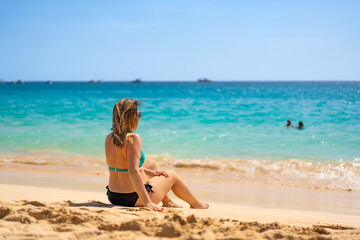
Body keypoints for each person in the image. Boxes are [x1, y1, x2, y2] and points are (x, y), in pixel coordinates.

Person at [105, 99, 209, 211]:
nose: (139, 118)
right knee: (172, 175)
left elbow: (123, 166)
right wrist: (148, 202)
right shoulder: (133, 138)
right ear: (131, 117)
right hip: (132, 198)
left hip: (113, 196)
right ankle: (196, 204)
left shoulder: (109, 138)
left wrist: (150, 172)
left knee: (152, 165)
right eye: (138, 115)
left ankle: (167, 201)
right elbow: (133, 171)